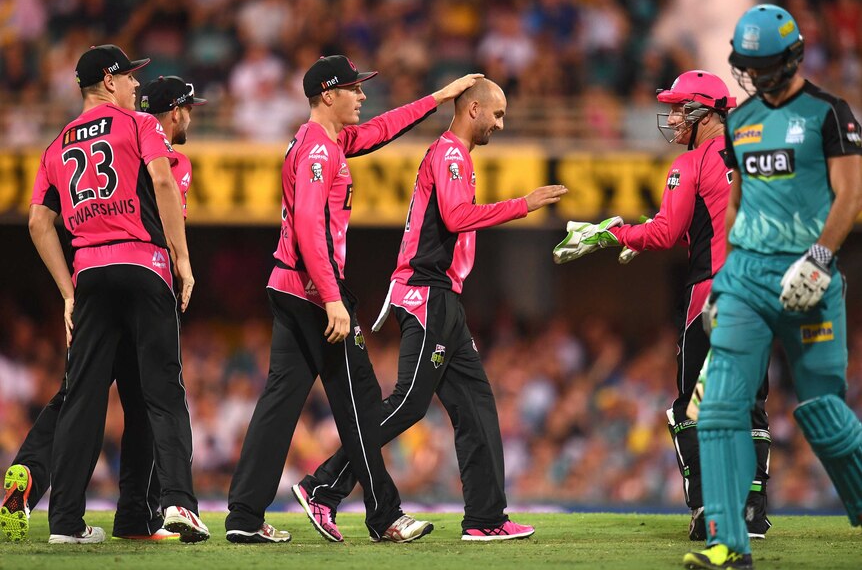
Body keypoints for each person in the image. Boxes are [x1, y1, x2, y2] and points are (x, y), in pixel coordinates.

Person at [292, 78, 566, 543]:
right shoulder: (452, 155)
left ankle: (485, 517)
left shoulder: (454, 155)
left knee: (476, 405)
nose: (500, 124)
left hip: (444, 297)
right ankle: (323, 486)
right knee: (407, 403)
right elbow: (457, 218)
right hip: (426, 293)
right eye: (497, 115)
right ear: (473, 108)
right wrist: (524, 204)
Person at [224, 55, 483, 544]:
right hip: (315, 293)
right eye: (353, 89)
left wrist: (438, 98)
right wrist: (331, 298)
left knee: (280, 403)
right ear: (328, 94)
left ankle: (243, 515)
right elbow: (308, 228)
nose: (362, 96)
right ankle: (378, 513)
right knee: (361, 402)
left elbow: (383, 129)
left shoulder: (322, 140)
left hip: (287, 287)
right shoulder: (321, 152)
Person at [551, 71, 772, 541]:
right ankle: (753, 510)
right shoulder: (757, 153)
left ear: (705, 114)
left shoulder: (688, 163)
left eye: (679, 109)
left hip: (710, 291)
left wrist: (611, 234)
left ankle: (705, 510)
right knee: (750, 401)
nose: (671, 118)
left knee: (690, 408)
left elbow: (665, 233)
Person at [683, 4, 862, 570]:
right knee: (716, 412)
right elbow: (736, 208)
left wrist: (819, 259)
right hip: (746, 280)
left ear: (791, 57)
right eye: (748, 64)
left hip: (810, 275)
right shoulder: (739, 122)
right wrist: (722, 281)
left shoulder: (831, 114)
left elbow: (851, 196)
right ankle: (728, 545)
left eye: (764, 63)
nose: (754, 74)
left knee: (821, 412)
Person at [0, 74, 207, 543]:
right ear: (111, 82)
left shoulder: (57, 143)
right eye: (129, 75)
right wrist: (183, 261)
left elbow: (38, 221)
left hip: (89, 275)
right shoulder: (150, 137)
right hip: (144, 267)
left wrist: (68, 293)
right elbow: (163, 183)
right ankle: (163, 507)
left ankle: (50, 502)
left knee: (78, 398)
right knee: (156, 396)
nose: (134, 83)